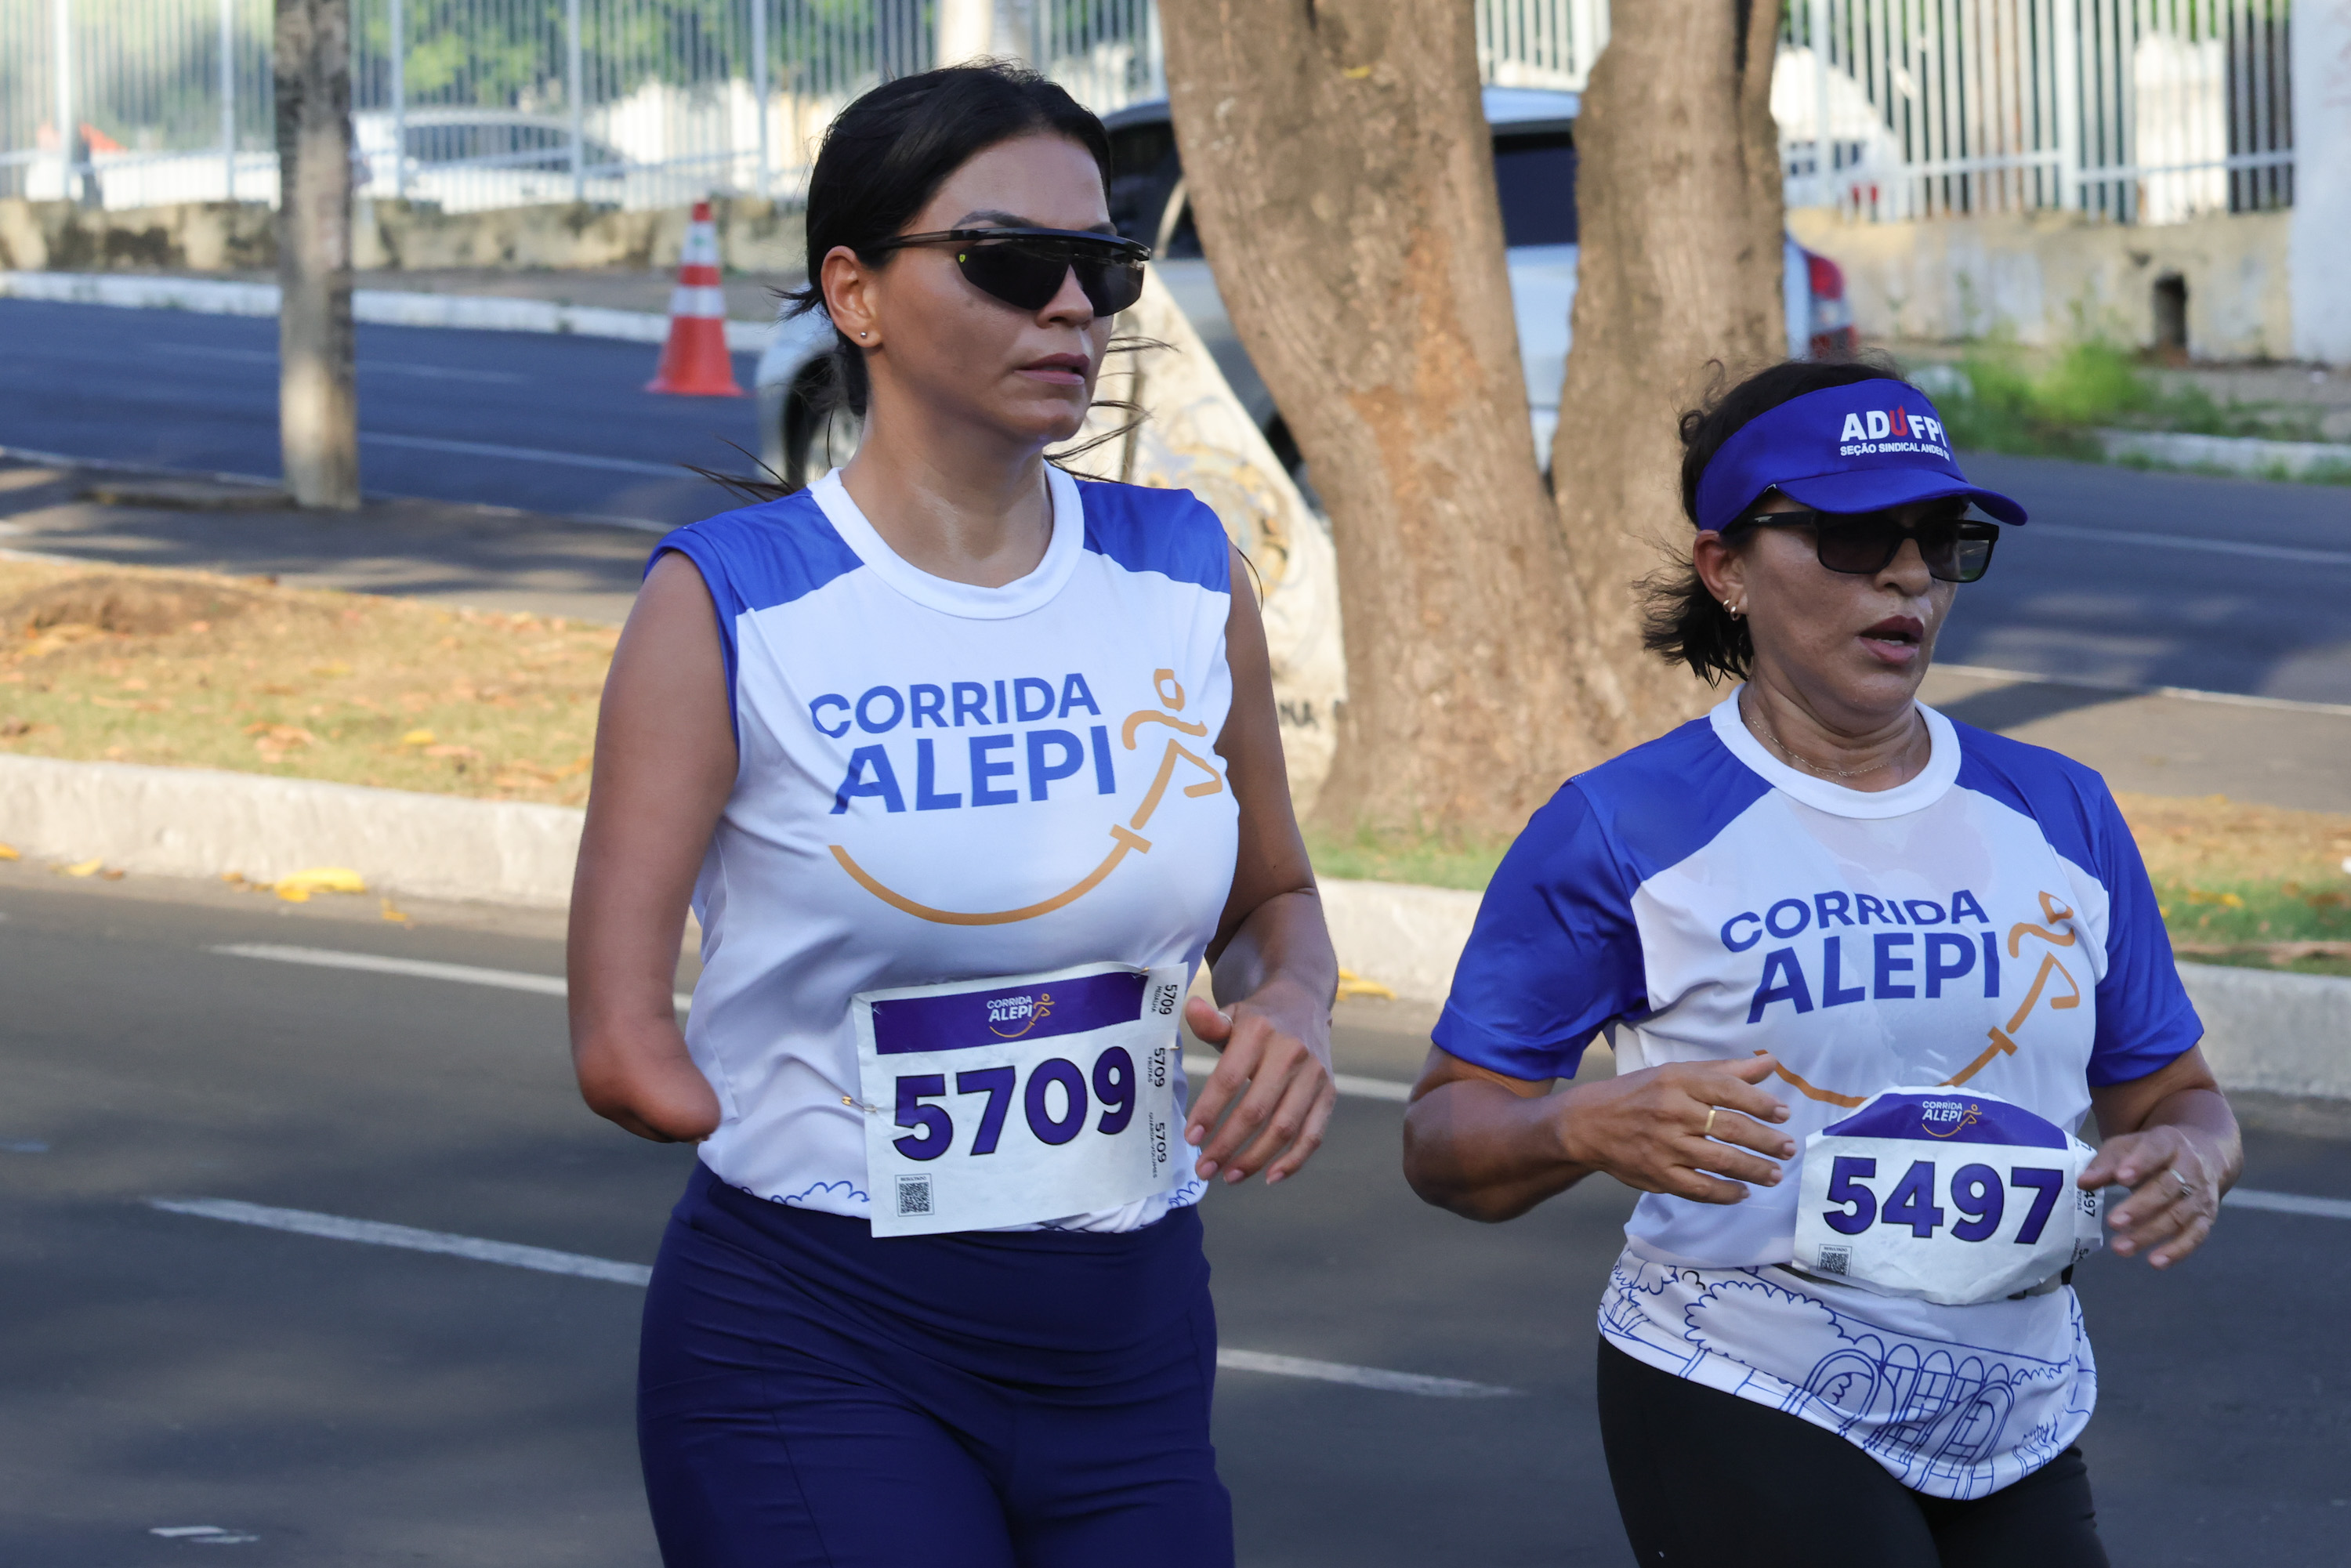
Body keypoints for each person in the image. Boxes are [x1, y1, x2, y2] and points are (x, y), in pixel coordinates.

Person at [566, 63, 1339, 1568]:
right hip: (818, 1332)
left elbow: (1272, 901)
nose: (1072, 305)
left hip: (1130, 1339)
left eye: (1102, 263)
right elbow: (621, 1041)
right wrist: (808, 1125)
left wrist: (1294, 1003)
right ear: (854, 292)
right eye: (1009, 260)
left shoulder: (1185, 571)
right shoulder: (728, 603)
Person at [1401, 359, 2241, 1567]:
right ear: (1727, 568)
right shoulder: (1621, 826)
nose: (1908, 575)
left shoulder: (2064, 810)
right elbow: (1443, 1141)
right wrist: (1577, 1124)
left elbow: (2176, 1096)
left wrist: (2195, 1156)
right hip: (1745, 1382)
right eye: (1853, 537)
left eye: (1940, 540)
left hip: (2016, 1409)